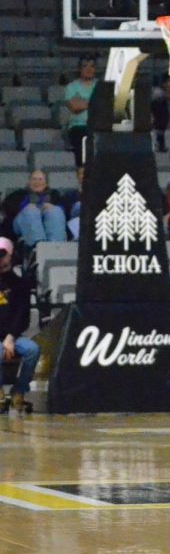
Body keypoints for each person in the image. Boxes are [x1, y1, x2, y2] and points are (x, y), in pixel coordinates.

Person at [0, 238, 38, 414]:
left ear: (10, 256)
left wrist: (10, 337)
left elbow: (23, 317)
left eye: (2, 255)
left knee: (32, 349)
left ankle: (19, 391)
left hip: (13, 336)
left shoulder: (21, 284)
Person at [4, 170, 67, 247]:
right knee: (31, 211)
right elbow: (7, 208)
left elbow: (65, 210)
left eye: (40, 179)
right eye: (34, 179)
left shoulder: (54, 194)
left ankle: (56, 246)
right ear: (29, 182)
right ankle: (37, 247)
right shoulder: (19, 193)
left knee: (56, 211)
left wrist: (52, 207)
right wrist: (25, 207)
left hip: (48, 223)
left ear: (46, 183)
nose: (37, 182)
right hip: (20, 224)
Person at [62, 54, 98, 165]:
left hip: (98, 126)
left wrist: (83, 102)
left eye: (92, 66)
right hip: (79, 127)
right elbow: (75, 107)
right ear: (80, 69)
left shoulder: (101, 86)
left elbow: (106, 105)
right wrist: (95, 102)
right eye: (85, 66)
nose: (89, 69)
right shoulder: (71, 87)